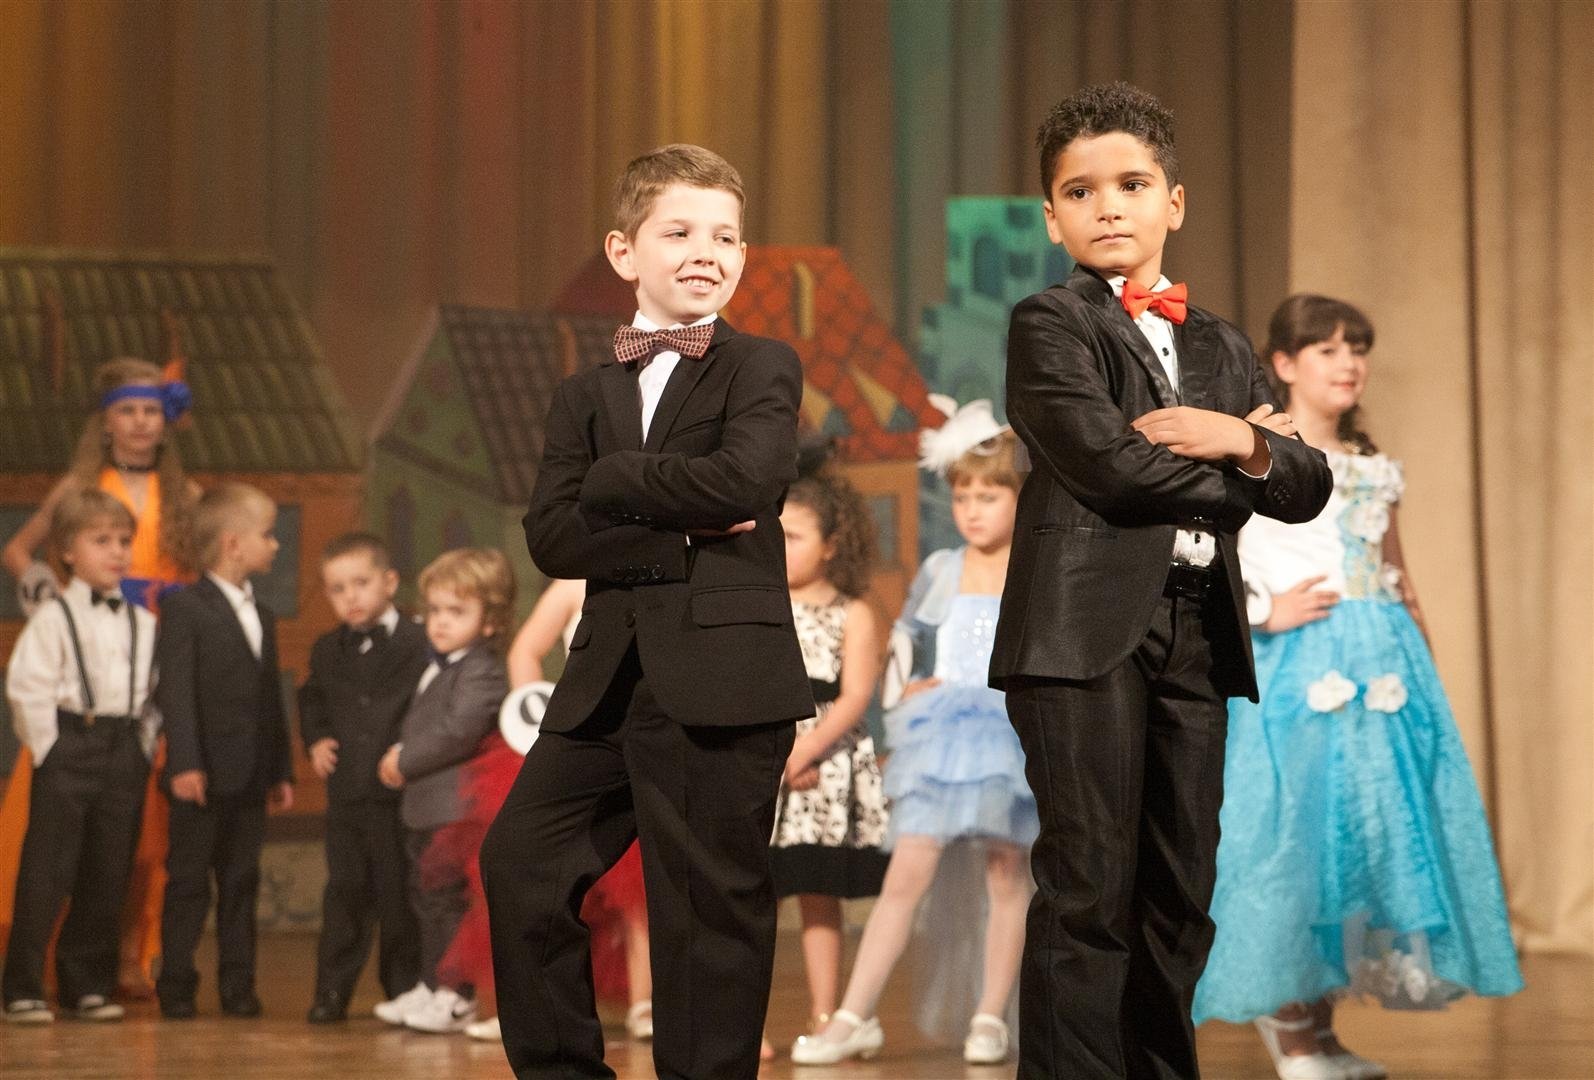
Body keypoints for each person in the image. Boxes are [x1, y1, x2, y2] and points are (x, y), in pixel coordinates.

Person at [990, 82, 1334, 1079]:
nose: (1108, 206)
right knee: (1088, 886)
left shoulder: (1221, 343)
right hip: (1080, 632)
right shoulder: (1049, 323)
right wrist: (1244, 466)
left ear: (1173, 202)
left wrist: (1235, 436)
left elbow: (1308, 482)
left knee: (1180, 891)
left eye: (1132, 184)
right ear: (1050, 216)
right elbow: (1111, 468)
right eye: (1081, 191)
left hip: (1196, 629)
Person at [480, 142, 811, 1080]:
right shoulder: (582, 395)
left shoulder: (761, 365)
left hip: (723, 677)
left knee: (707, 912)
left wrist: (615, 482)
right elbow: (553, 537)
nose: (707, 252)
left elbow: (745, 482)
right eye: (680, 232)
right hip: (604, 684)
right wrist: (675, 530)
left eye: (726, 237)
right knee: (522, 864)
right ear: (624, 251)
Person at [1192, 295, 1523, 1080]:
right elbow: (1207, 555)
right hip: (1299, 668)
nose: (1347, 364)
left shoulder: (1374, 466)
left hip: (1384, 669)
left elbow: (1395, 571)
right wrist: (1266, 611)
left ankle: (1322, 1027)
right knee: (1293, 838)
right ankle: (1289, 1026)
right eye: (1328, 349)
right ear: (1283, 363)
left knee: (1360, 841)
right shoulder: (1256, 452)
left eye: (1357, 349)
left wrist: (1422, 660)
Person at [793, 403, 1035, 1067]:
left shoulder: (1031, 568)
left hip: (1008, 730)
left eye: (989, 496)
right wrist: (903, 690)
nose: (972, 511)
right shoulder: (943, 568)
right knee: (906, 873)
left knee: (1007, 873)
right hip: (945, 735)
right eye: (962, 497)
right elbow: (905, 637)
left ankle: (990, 1014)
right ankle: (854, 1015)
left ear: (1020, 498)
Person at [0, 356, 198, 996]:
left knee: (138, 836)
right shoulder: (80, 488)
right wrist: (51, 602)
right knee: (55, 841)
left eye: (151, 411)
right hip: (86, 677)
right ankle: (35, 964)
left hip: (149, 671)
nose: (140, 423)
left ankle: (126, 956)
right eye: (127, 411)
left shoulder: (186, 496)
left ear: (165, 421)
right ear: (106, 422)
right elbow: (19, 550)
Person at [451, 578, 654, 1045]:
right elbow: (525, 650)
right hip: (583, 738)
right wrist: (539, 719)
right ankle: (526, 1006)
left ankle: (645, 1001)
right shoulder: (572, 585)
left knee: (635, 889)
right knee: (534, 877)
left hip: (644, 738)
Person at [2, 490, 158, 1024]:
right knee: (48, 868)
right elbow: (28, 687)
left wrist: (140, 744)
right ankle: (22, 986)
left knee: (107, 867)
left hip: (124, 747)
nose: (117, 552)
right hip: (70, 743)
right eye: (101, 541)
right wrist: (50, 748)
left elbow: (153, 693)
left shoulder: (143, 622)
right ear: (68, 551)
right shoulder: (52, 618)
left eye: (124, 541)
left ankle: (85, 982)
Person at [154, 483, 294, 1019]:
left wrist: (279, 768)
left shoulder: (264, 613)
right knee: (189, 883)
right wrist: (185, 762)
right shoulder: (185, 607)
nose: (275, 544)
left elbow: (269, 698)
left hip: (251, 774)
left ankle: (238, 985)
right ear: (234, 543)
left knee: (241, 882)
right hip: (202, 775)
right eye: (268, 534)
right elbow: (176, 691)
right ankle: (176, 983)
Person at [768, 459, 889, 1056]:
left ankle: (824, 1015)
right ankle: (744, 1025)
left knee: (817, 895)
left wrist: (804, 751)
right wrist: (775, 756)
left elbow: (855, 695)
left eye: (793, 536)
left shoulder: (853, 611)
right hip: (762, 761)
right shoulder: (760, 606)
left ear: (832, 545)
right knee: (749, 897)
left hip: (823, 768)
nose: (780, 547)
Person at [372, 547, 511, 1035]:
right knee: (427, 898)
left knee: (447, 903)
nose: (441, 622)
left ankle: (457, 994)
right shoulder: (443, 665)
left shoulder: (482, 670)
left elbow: (458, 731)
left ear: (490, 622)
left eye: (457, 611)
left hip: (454, 809)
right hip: (427, 807)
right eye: (434, 610)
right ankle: (432, 983)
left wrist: (403, 759)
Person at [298, 533, 429, 1024]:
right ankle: (331, 992)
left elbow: (431, 704)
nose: (350, 596)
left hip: (401, 797)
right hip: (349, 796)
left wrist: (412, 749)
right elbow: (311, 699)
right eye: (337, 589)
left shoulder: (420, 641)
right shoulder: (326, 649)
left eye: (361, 583)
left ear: (389, 582)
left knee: (400, 897)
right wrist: (316, 739)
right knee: (345, 895)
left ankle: (404, 989)